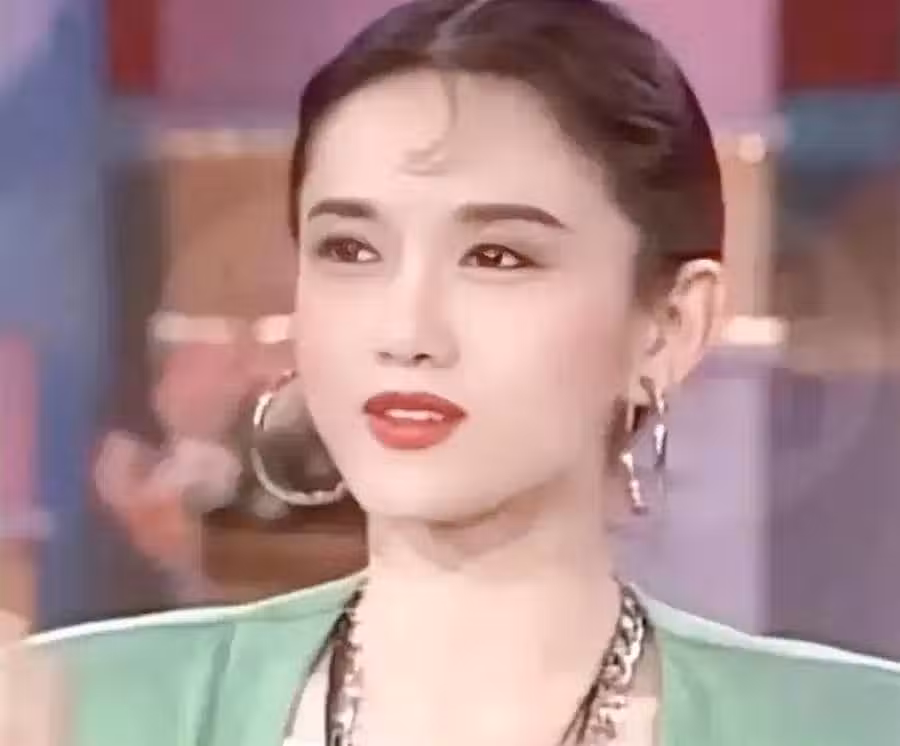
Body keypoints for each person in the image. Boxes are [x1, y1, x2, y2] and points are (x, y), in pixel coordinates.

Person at [3, 1, 900, 744]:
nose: (407, 331)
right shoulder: (80, 712)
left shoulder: (849, 725)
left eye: (499, 257)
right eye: (351, 249)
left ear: (669, 326)